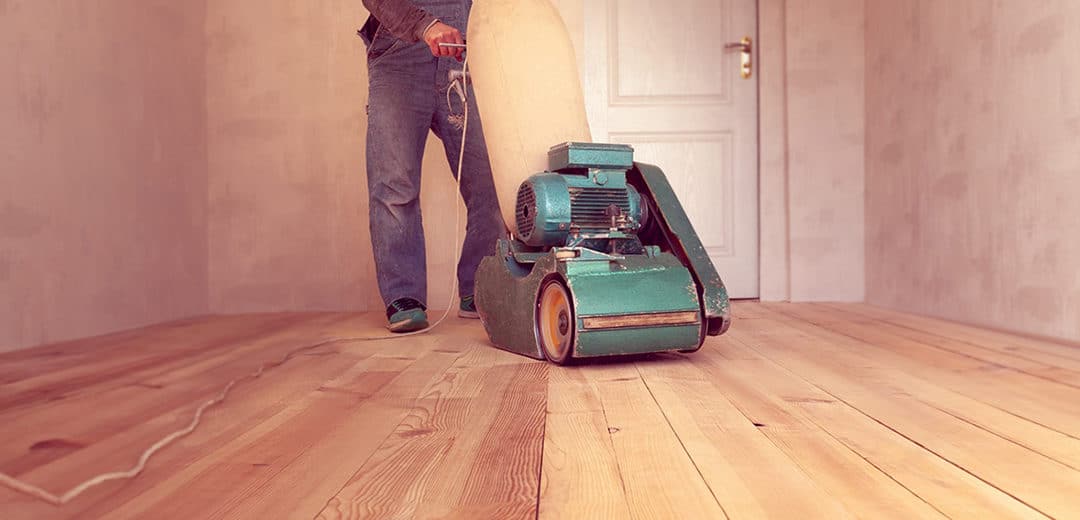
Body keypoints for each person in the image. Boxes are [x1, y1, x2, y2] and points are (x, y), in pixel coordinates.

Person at [359, 0, 504, 332]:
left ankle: (481, 286)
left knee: (492, 181)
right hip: (400, 56)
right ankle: (404, 296)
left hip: (466, 50)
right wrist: (424, 25)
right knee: (395, 185)